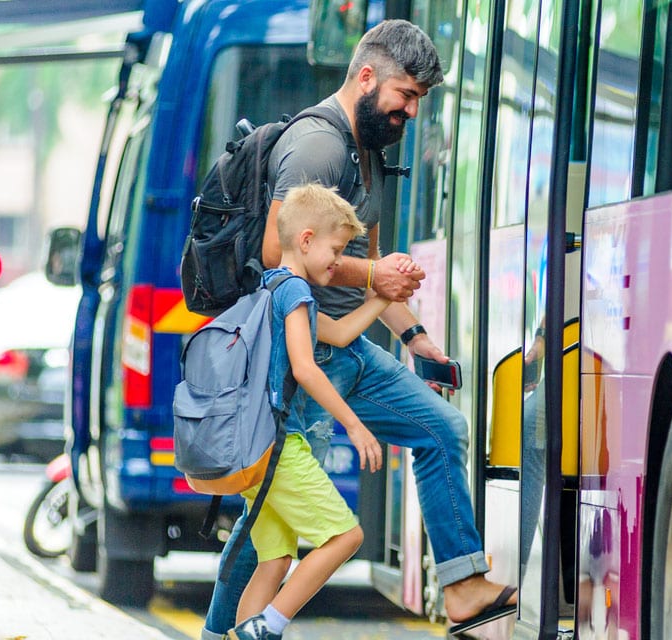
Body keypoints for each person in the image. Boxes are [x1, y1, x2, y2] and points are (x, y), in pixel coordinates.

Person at [201, 20, 517, 640]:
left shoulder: (364, 150)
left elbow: (370, 274)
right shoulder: (318, 146)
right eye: (406, 94)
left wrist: (416, 337)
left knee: (441, 429)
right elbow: (274, 252)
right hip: (305, 355)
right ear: (367, 76)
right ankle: (220, 632)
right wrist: (376, 273)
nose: (412, 110)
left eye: (419, 99)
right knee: (270, 526)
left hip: (348, 344)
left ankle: (461, 586)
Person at [226, 183, 399, 640]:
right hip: (280, 447)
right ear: (306, 240)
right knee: (346, 537)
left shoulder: (270, 286)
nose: (338, 262)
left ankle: (243, 633)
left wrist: (384, 295)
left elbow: (338, 335)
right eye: (336, 250)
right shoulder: (297, 291)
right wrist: (354, 425)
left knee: (274, 560)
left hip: (252, 447)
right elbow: (305, 367)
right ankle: (266, 628)